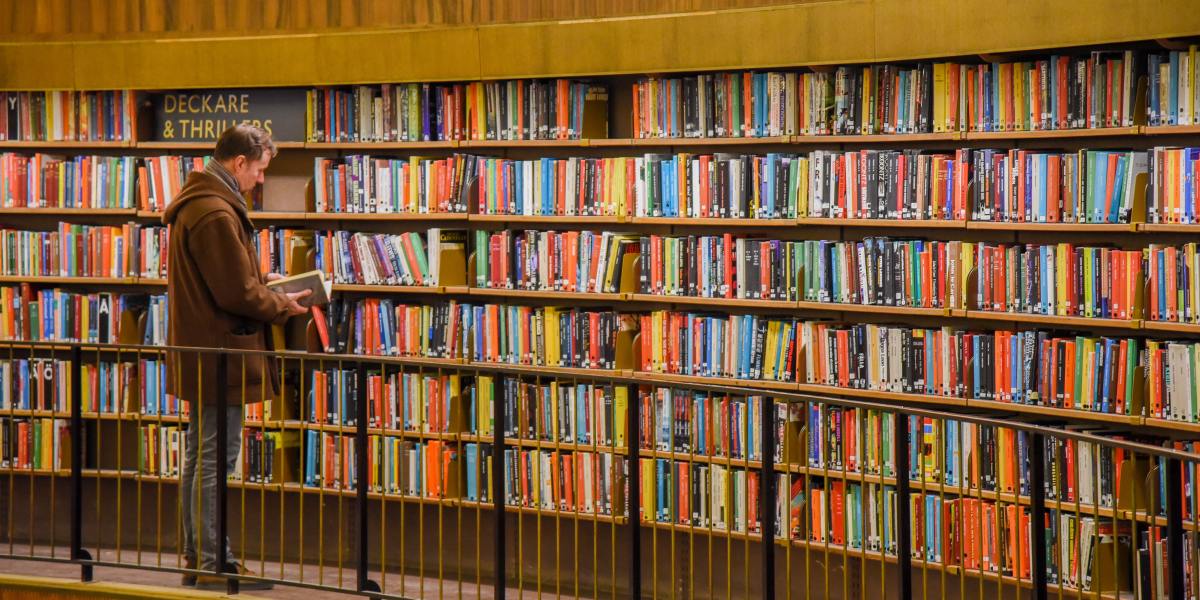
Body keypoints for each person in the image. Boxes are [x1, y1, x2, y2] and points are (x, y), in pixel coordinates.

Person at [162, 124, 310, 590]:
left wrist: (266, 287)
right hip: (219, 353)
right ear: (239, 162)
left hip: (204, 350)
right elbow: (235, 293)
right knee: (214, 459)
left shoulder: (202, 203)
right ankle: (213, 564)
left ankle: (198, 556)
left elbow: (230, 281)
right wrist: (280, 304)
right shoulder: (215, 213)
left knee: (199, 455)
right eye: (260, 170)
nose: (261, 180)